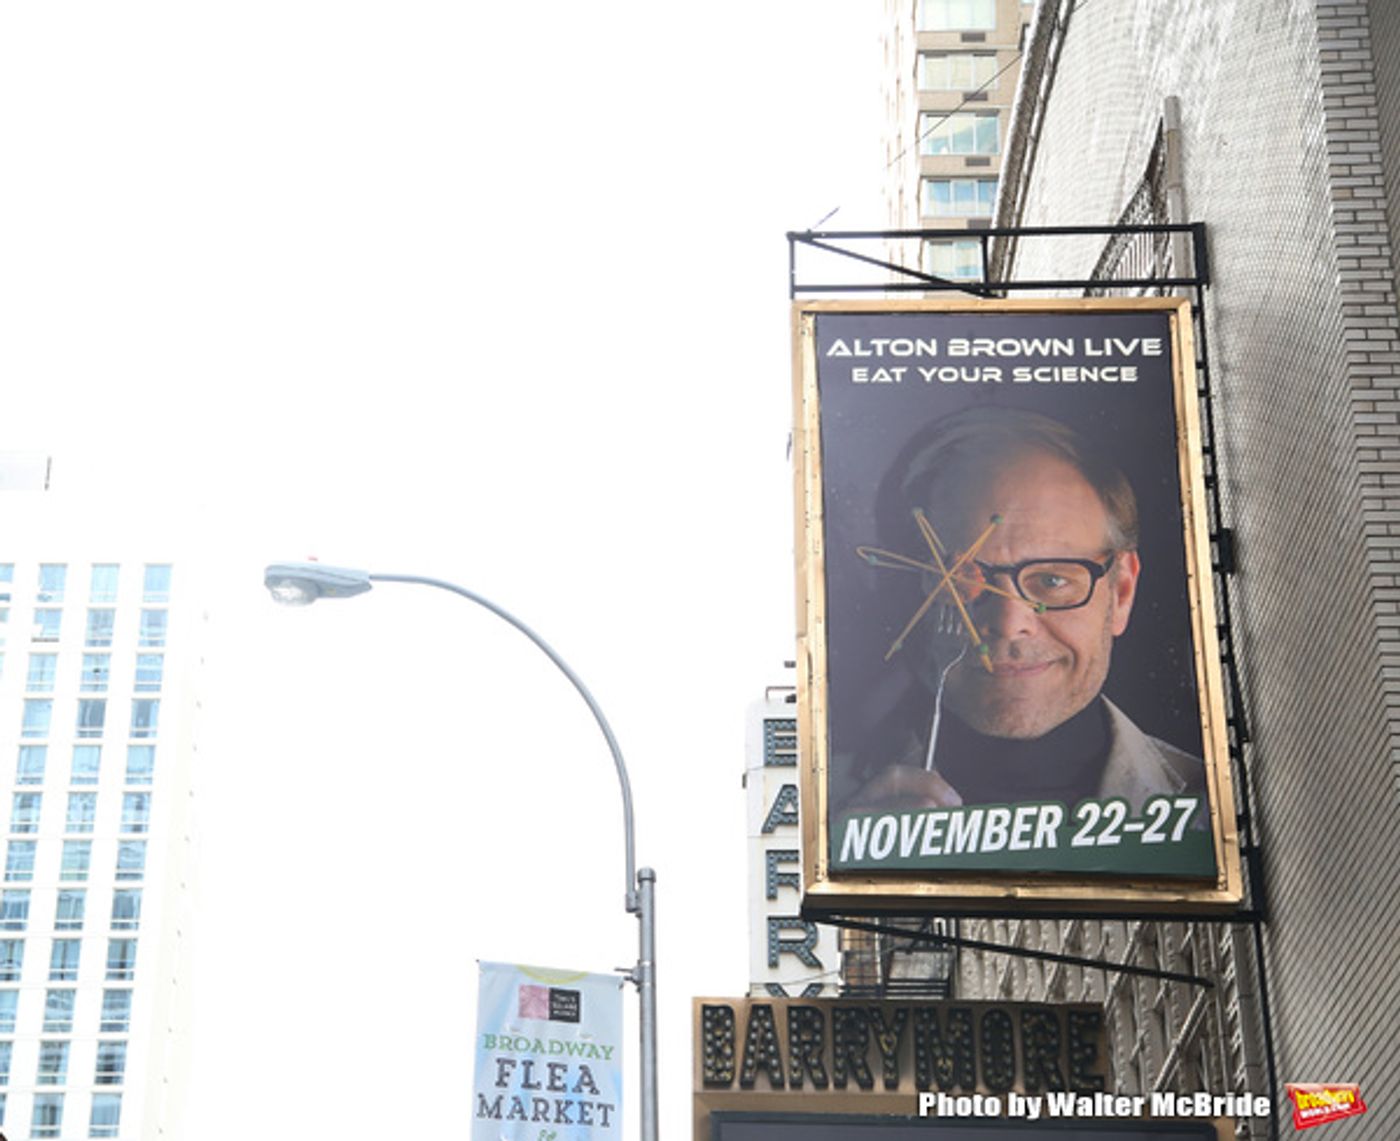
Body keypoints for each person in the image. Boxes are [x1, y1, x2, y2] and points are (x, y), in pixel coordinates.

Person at [835, 407, 1203, 817]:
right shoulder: (825, 809)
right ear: (899, 591)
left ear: (1121, 592)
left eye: (1052, 580)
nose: (1010, 625)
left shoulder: (1215, 810)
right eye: (954, 581)